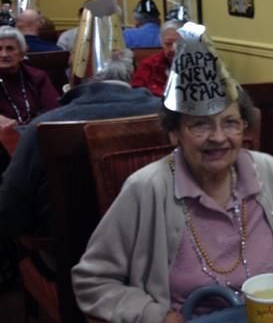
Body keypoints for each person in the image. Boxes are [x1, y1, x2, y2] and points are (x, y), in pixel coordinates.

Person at [73, 22, 273, 323]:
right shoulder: (146, 188)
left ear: (244, 127)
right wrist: (156, 315)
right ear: (174, 133)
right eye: (200, 124)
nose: (218, 137)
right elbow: (92, 282)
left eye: (230, 123)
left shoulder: (268, 170)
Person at [0, 48, 161, 240]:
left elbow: (10, 209)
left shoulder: (44, 126)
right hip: (160, 241)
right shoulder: (168, 115)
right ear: (131, 72)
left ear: (73, 74)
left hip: (76, 253)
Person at [0, 26, 59, 129]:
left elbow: (54, 110)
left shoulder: (37, 76)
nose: (4, 54)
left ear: (22, 53)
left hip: (34, 134)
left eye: (10, 49)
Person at [131, 20, 182, 96]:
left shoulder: (196, 66)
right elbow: (136, 94)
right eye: (168, 44)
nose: (173, 49)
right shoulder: (148, 65)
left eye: (178, 44)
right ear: (161, 42)